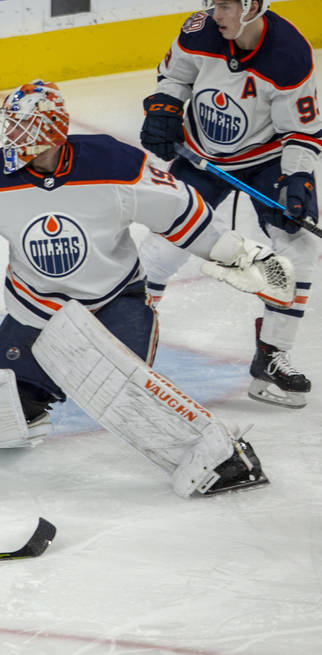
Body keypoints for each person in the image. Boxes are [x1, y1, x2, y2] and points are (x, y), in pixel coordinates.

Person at [0, 80, 294, 497]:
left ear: (52, 129)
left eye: (25, 127)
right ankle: (35, 391)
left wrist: (235, 252)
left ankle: (222, 457)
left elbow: (179, 209)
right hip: (36, 313)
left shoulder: (114, 164)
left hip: (113, 305)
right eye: (11, 125)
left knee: (127, 395)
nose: (14, 135)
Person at [138, 0, 321, 408]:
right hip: (201, 156)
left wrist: (297, 179)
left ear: (254, 5)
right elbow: (174, 76)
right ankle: (127, 339)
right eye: (212, 3)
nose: (215, 14)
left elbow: (301, 132)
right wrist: (165, 108)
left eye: (224, 5)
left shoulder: (289, 54)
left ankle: (272, 354)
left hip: (265, 160)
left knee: (300, 248)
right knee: (163, 246)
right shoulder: (198, 31)